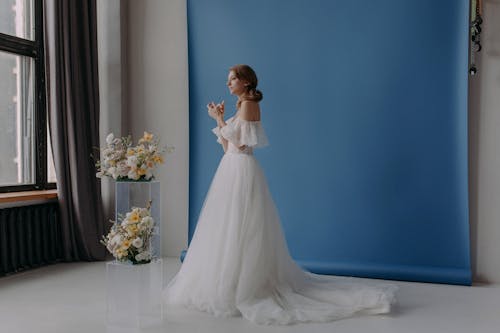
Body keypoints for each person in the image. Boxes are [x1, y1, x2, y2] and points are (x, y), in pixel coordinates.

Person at [163, 64, 398, 325]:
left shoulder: (250, 103)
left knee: (242, 226)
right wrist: (220, 120)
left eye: (233, 79)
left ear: (246, 82)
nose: (228, 84)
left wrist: (218, 120)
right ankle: (226, 283)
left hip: (241, 170)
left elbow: (242, 145)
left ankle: (244, 285)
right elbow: (229, 147)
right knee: (227, 225)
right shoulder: (241, 105)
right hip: (230, 168)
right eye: (228, 80)